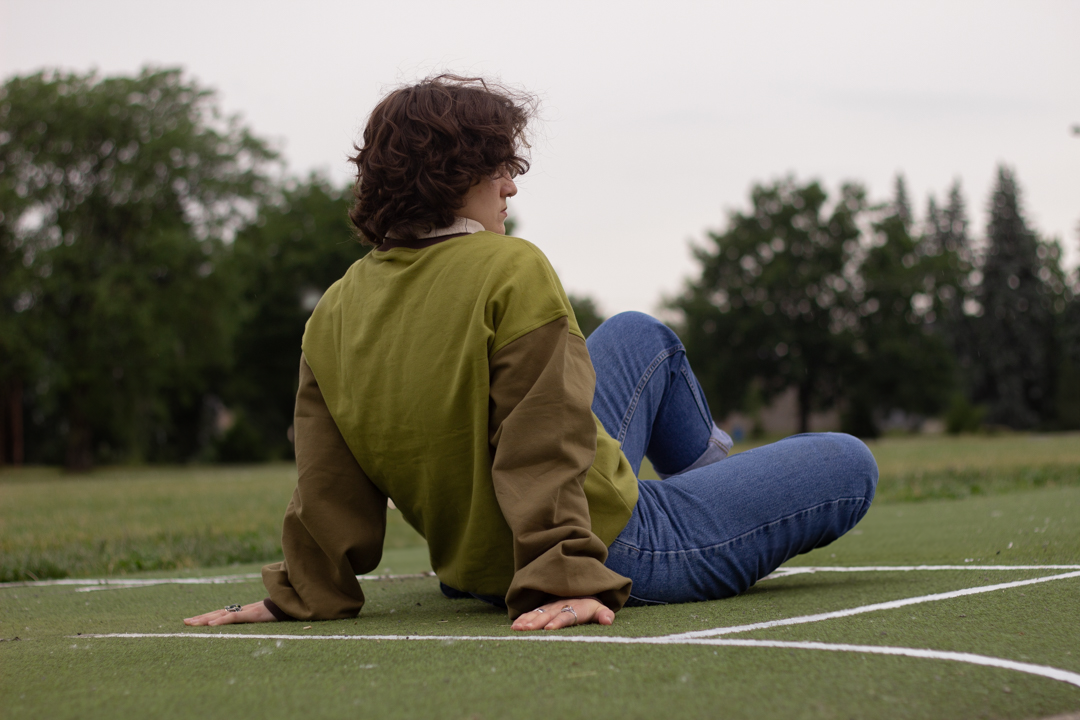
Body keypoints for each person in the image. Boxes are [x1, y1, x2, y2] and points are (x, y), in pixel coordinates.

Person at [185, 75, 877, 633]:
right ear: (451, 174)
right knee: (851, 463)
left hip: (476, 557)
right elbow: (540, 438)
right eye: (495, 167)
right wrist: (562, 575)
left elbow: (327, 484)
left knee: (641, 333)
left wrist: (303, 591)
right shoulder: (510, 268)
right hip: (608, 543)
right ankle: (695, 518)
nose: (510, 184)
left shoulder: (333, 309)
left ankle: (703, 489)